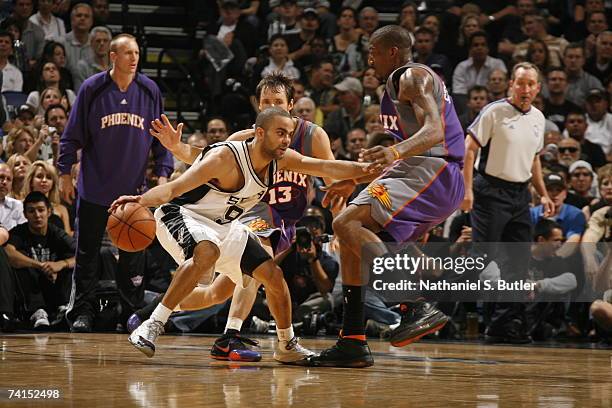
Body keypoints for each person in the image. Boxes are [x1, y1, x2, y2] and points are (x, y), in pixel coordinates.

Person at [118, 107, 370, 361]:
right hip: (184, 215)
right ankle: (152, 324)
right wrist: (140, 201)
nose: (285, 140)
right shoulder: (226, 157)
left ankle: (286, 345)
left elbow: (328, 167)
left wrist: (372, 168)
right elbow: (174, 189)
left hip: (225, 226)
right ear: (260, 133)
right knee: (207, 252)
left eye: (289, 134)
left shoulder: (280, 159)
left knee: (272, 275)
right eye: (280, 133)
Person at [307, 25, 466, 367]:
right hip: (418, 170)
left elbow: (435, 131)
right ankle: (352, 340)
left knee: (346, 222)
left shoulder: (412, 77)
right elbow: (406, 150)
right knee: (348, 230)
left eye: (373, 52)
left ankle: (414, 304)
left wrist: (395, 153)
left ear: (392, 52)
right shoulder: (395, 88)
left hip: (437, 171)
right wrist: (355, 180)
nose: (369, 59)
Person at [58, 34, 174, 333]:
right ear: (113, 56)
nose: (134, 58)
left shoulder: (149, 91)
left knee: (133, 257)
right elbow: (72, 134)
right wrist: (63, 172)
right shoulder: (92, 89)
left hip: (133, 194)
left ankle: (131, 313)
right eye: (127, 53)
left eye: (136, 52)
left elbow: (162, 138)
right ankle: (81, 312)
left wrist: (162, 175)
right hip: (94, 189)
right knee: (87, 255)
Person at [462, 62, 554, 344]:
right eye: (520, 83)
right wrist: (467, 191)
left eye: (530, 84)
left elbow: (534, 158)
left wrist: (544, 192)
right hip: (490, 190)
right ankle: (434, 302)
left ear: (537, 88)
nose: (525, 89)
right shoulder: (494, 111)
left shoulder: (539, 117)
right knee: (484, 258)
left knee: (518, 260)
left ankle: (504, 324)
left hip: (519, 194)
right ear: (511, 85)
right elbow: (469, 149)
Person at [4, 192, 75, 329]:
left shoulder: (56, 232)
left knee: (69, 266)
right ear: (24, 214)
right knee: (22, 265)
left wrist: (61, 264)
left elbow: (81, 256)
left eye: (41, 210)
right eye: (31, 211)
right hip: (31, 290)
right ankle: (37, 312)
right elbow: (8, 253)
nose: (37, 215)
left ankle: (64, 309)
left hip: (54, 286)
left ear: (49, 212)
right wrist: (39, 265)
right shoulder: (19, 232)